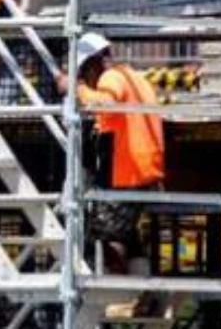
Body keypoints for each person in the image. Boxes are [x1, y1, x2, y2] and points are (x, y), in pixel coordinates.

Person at [56, 32, 165, 280]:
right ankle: (142, 291)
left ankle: (115, 287)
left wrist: (76, 88)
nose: (88, 80)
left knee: (95, 231)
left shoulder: (111, 77)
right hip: (143, 169)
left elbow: (105, 105)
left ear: (93, 63)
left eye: (85, 74)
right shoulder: (135, 77)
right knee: (124, 230)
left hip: (128, 170)